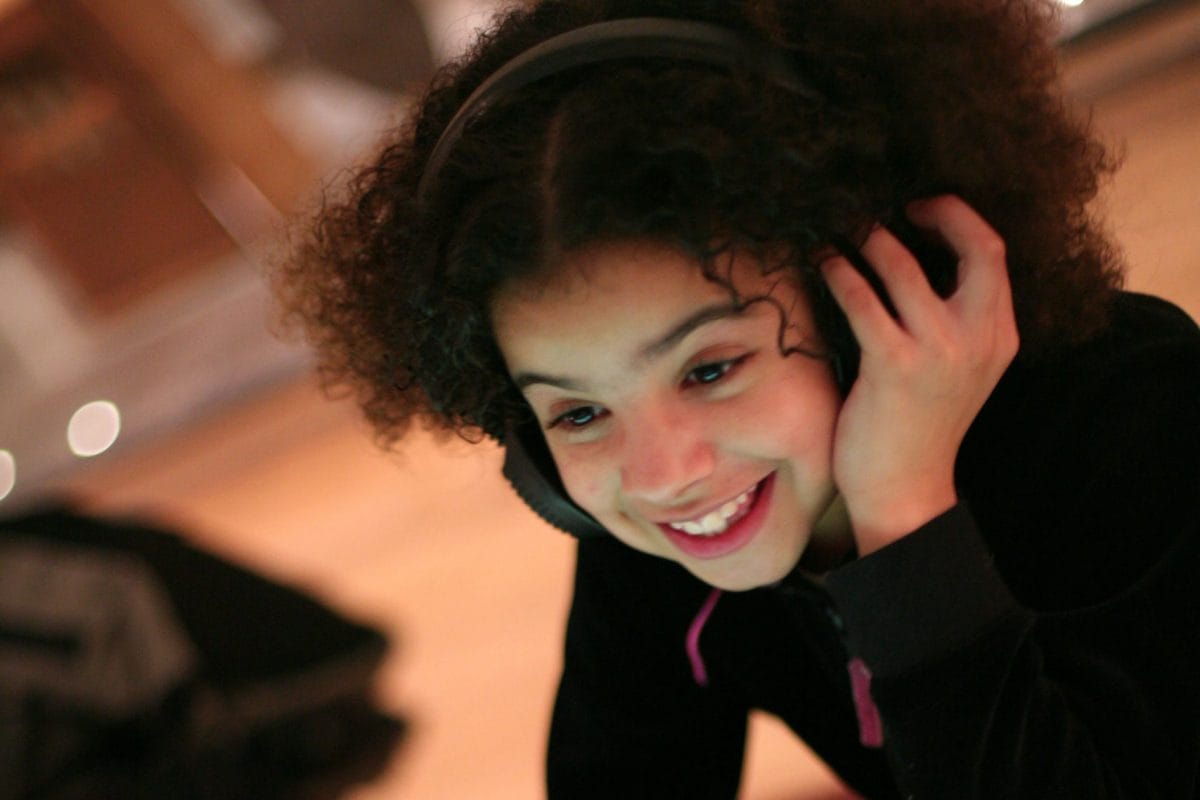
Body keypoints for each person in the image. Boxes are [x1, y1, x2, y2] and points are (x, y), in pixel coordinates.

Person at [273, 0, 1200, 796]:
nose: (665, 472)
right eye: (579, 412)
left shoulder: (1122, 410)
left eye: (711, 368)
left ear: (869, 297)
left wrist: (907, 525)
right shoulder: (662, 546)